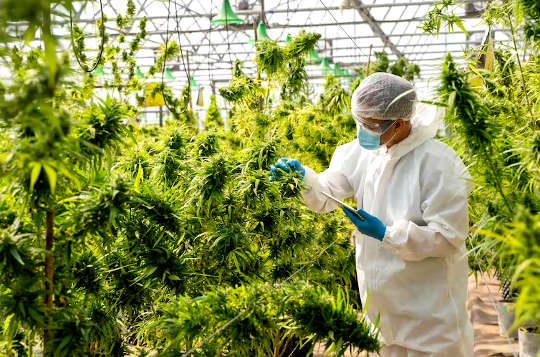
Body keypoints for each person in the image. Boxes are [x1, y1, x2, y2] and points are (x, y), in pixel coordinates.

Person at [270, 73, 474, 357]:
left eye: (370, 124)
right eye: (359, 121)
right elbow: (326, 194)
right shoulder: (361, 153)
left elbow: (447, 237)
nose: (361, 130)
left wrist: (387, 234)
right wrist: (303, 177)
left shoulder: (438, 163)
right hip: (380, 315)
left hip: (429, 319)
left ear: (399, 123)